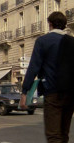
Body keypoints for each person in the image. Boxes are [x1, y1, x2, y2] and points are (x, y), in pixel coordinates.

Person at [20, 11, 74, 143]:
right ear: (64, 25)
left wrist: (24, 92)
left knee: (53, 135)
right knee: (64, 134)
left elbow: (34, 67)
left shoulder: (43, 41)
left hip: (52, 92)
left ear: (49, 24)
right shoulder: (72, 41)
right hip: (70, 93)